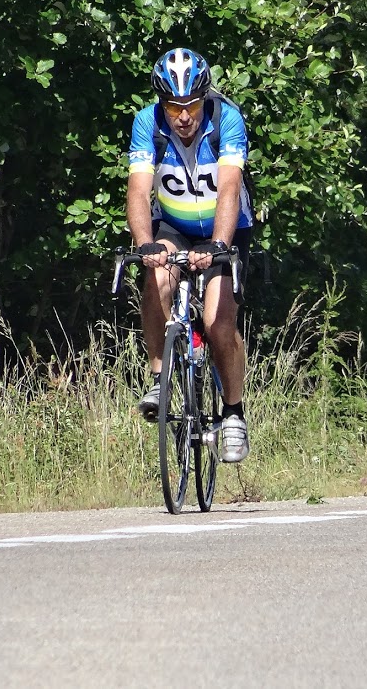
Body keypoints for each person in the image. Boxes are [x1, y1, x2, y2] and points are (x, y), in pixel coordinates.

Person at [126, 47, 253, 463]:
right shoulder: (147, 124)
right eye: (174, 106)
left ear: (205, 98)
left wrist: (218, 246)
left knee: (218, 323)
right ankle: (160, 377)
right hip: (175, 227)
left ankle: (233, 414)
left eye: (192, 105)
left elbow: (229, 189)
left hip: (226, 226)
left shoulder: (226, 120)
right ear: (162, 104)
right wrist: (146, 245)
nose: (184, 116)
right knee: (155, 277)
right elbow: (139, 191)